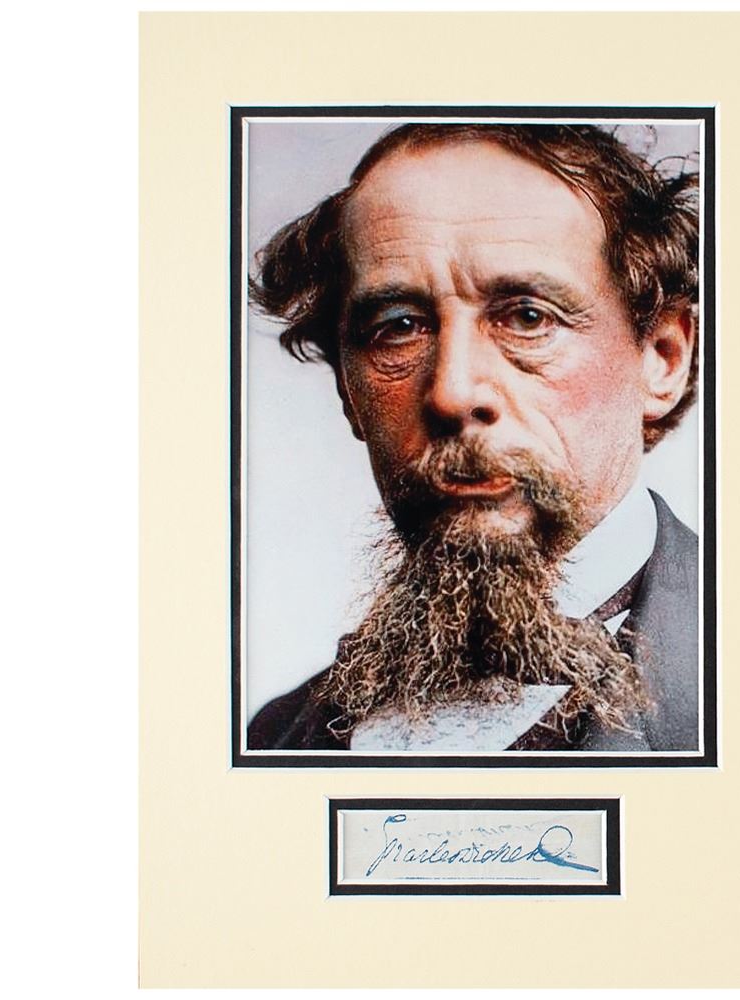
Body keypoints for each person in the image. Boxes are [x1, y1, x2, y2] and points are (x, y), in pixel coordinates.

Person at [246, 123, 700, 753]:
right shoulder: (274, 735)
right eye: (398, 327)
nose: (453, 393)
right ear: (349, 391)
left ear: (662, 359)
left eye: (528, 318)